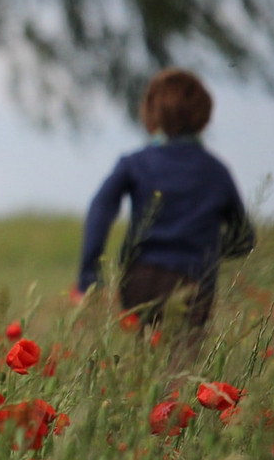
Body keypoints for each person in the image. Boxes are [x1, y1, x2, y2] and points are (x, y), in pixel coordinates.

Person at [76, 68, 255, 359]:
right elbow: (244, 238)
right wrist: (207, 251)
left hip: (140, 278)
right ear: (203, 116)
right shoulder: (216, 171)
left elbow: (100, 209)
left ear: (151, 113)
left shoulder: (135, 163)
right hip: (194, 280)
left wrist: (89, 275)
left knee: (145, 359)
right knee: (181, 366)